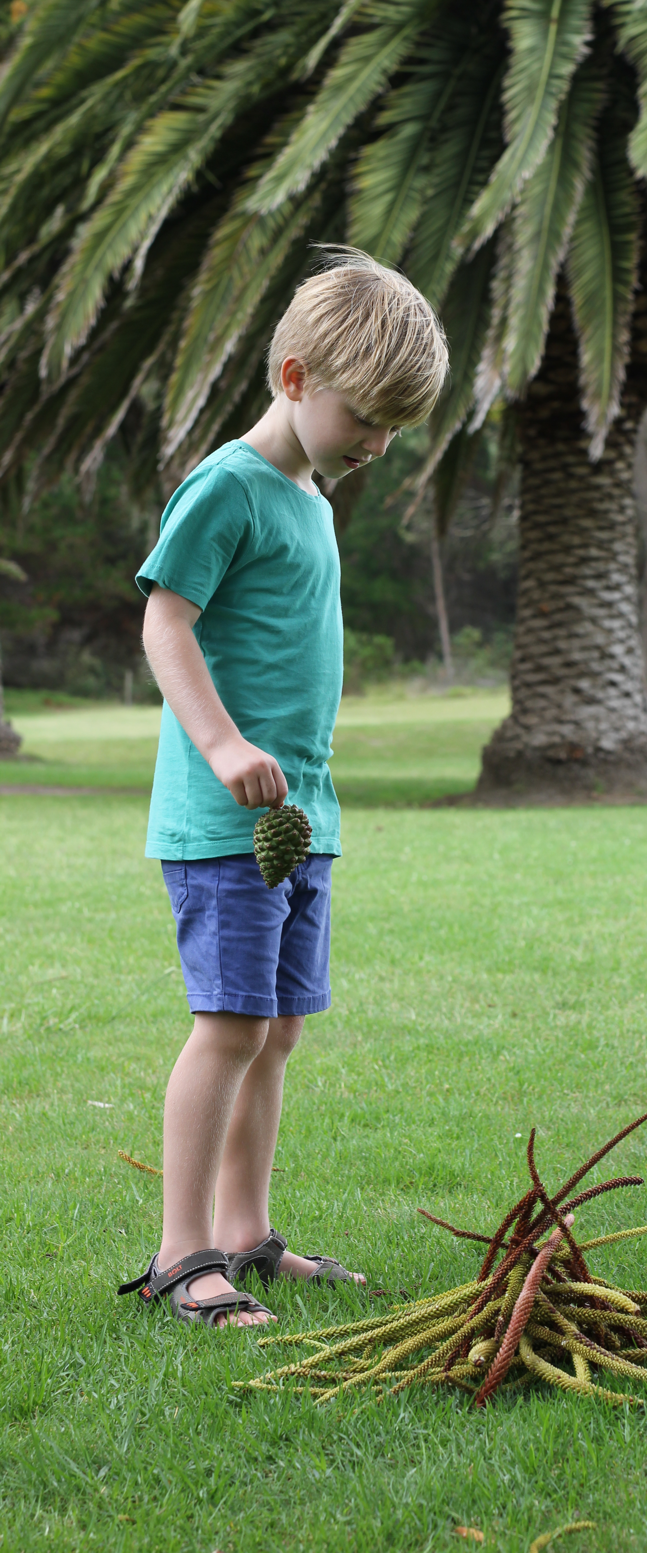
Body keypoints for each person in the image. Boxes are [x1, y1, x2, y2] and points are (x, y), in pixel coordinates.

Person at [117, 252, 448, 1327]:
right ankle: (183, 1252)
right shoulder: (228, 486)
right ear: (297, 377)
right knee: (227, 1026)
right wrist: (221, 747)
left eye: (396, 429)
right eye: (368, 419)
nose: (378, 445)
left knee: (277, 1030)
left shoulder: (310, 497)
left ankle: (248, 1232)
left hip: (300, 819)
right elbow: (165, 620)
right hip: (225, 822)